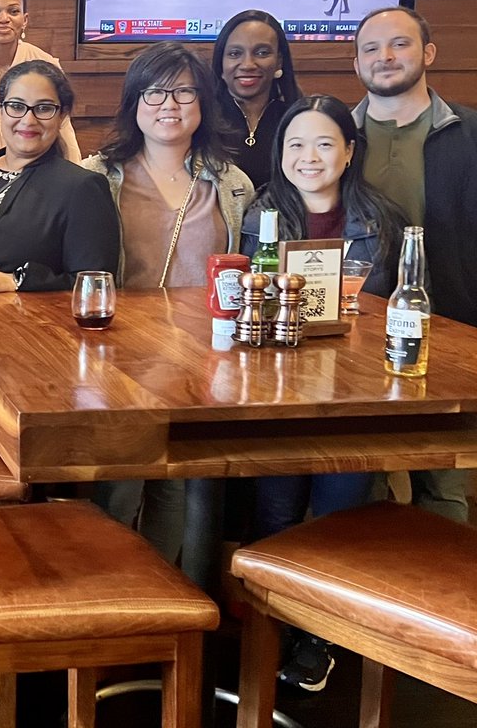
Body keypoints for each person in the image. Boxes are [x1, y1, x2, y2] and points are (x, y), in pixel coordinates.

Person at [241, 94, 405, 693]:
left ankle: (323, 635)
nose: (308, 157)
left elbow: (409, 309)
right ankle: (272, 625)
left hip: (353, 391)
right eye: (295, 144)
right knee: (276, 513)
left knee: (341, 515)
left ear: (349, 151)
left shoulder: (382, 218)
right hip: (275, 389)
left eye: (324, 143)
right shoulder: (262, 214)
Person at [82, 42, 253, 570]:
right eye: (155, 91)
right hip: (121, 365)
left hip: (204, 365)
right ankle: (110, 606)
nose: (169, 104)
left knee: (179, 495)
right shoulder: (97, 176)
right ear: (134, 101)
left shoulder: (232, 184)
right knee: (117, 495)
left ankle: (167, 610)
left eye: (184, 91)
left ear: (203, 102)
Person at [351, 6, 476, 524]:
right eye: (371, 48)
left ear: (427, 53)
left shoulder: (469, 132)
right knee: (360, 479)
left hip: (452, 322)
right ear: (356, 62)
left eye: (399, 44)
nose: (385, 57)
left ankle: (440, 600)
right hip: (359, 330)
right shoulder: (337, 135)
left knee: (444, 480)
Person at [0, 59, 119, 293]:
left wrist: (17, 280)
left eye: (43, 108)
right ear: (1, 108)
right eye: (16, 106)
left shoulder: (82, 187)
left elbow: (95, 285)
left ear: (62, 114)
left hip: (17, 326)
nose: (28, 120)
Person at [0, 0, 82, 162]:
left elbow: (65, 132)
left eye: (13, 11)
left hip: (39, 173)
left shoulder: (46, 65)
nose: (4, 19)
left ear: (24, 20)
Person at [211, 9, 302, 188]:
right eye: (235, 53)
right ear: (220, 64)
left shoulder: (299, 120)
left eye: (261, 53)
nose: (247, 65)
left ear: (279, 61)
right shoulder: (200, 119)